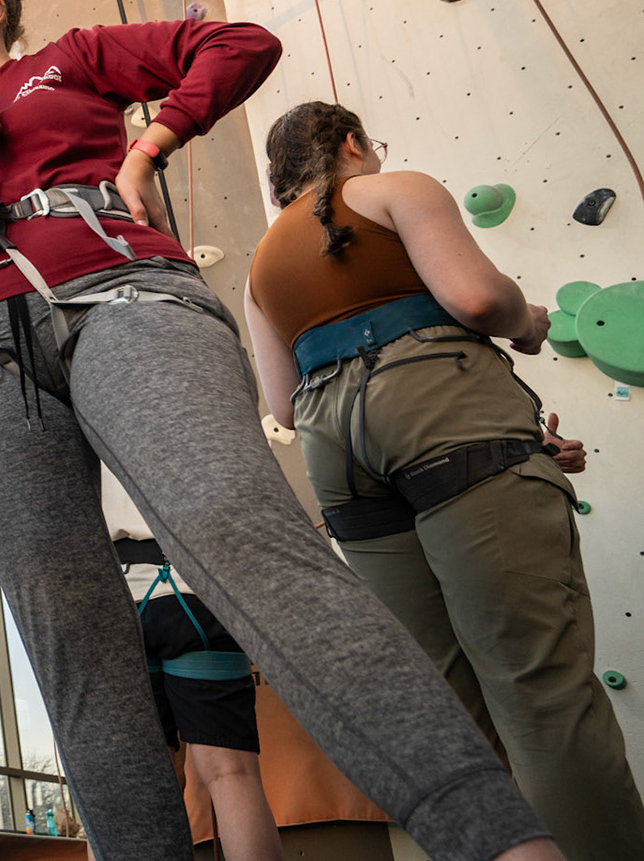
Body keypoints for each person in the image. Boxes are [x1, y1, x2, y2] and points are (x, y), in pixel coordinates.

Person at [0, 0, 561, 861]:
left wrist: (150, 144)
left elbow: (241, 44)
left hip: (120, 292)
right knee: (66, 627)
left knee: (232, 521)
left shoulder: (70, 57)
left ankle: (496, 837)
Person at [244, 101, 644, 861]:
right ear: (354, 143)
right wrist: (526, 323)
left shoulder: (263, 264)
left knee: (452, 712)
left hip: (343, 462)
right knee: (539, 689)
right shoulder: (397, 189)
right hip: (445, 411)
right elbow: (474, 298)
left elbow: (281, 404)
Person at [101, 476, 279, 861]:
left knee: (146, 785)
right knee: (231, 773)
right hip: (199, 587)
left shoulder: (76, 415)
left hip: (119, 593)